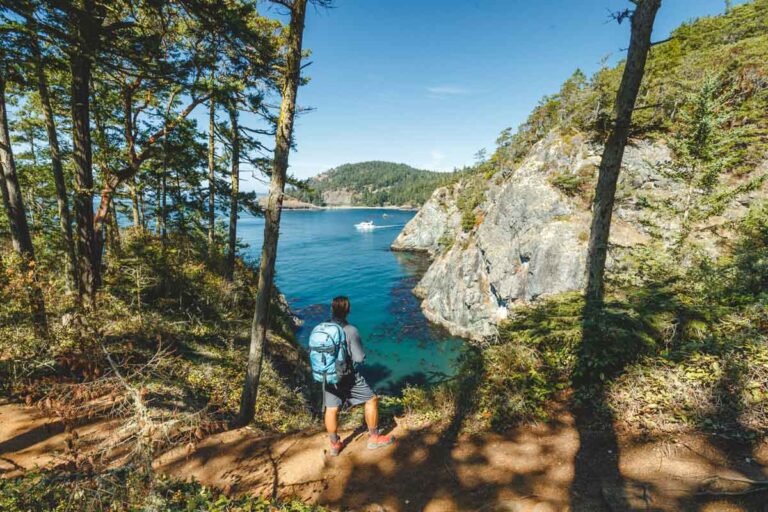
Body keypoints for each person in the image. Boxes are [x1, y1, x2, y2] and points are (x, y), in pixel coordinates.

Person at [323, 296, 394, 456]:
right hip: (347, 376)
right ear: (348, 311)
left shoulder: (323, 327)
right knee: (371, 399)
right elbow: (359, 358)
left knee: (332, 408)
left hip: (327, 375)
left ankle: (334, 444)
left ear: (332, 309)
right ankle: (374, 438)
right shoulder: (350, 330)